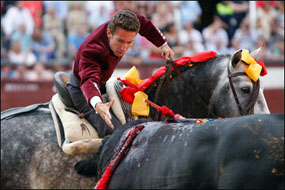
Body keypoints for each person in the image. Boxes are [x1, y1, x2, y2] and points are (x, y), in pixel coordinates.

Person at [67, 10, 174, 138]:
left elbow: (144, 24)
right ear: (109, 33)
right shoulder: (92, 49)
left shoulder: (123, 24)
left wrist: (163, 44)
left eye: (129, 42)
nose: (124, 48)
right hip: (82, 92)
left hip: (102, 84)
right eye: (120, 41)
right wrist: (98, 104)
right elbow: (89, 81)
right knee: (118, 135)